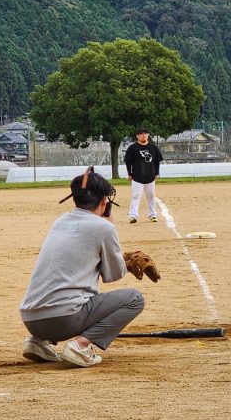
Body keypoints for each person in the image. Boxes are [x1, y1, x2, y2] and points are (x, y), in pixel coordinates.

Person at [19, 167, 147, 367]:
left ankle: (38, 343)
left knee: (63, 288)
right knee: (135, 299)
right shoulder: (104, 228)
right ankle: (81, 346)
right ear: (105, 201)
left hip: (31, 320)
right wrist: (126, 260)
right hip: (63, 320)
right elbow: (113, 274)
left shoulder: (60, 221)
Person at [124, 127, 164, 223]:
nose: (143, 135)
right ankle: (133, 216)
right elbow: (128, 162)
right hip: (137, 177)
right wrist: (129, 173)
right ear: (137, 136)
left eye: (145, 134)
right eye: (141, 134)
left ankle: (152, 215)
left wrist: (157, 173)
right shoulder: (132, 148)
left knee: (151, 196)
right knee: (135, 196)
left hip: (150, 176)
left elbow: (157, 161)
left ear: (148, 135)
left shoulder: (153, 147)